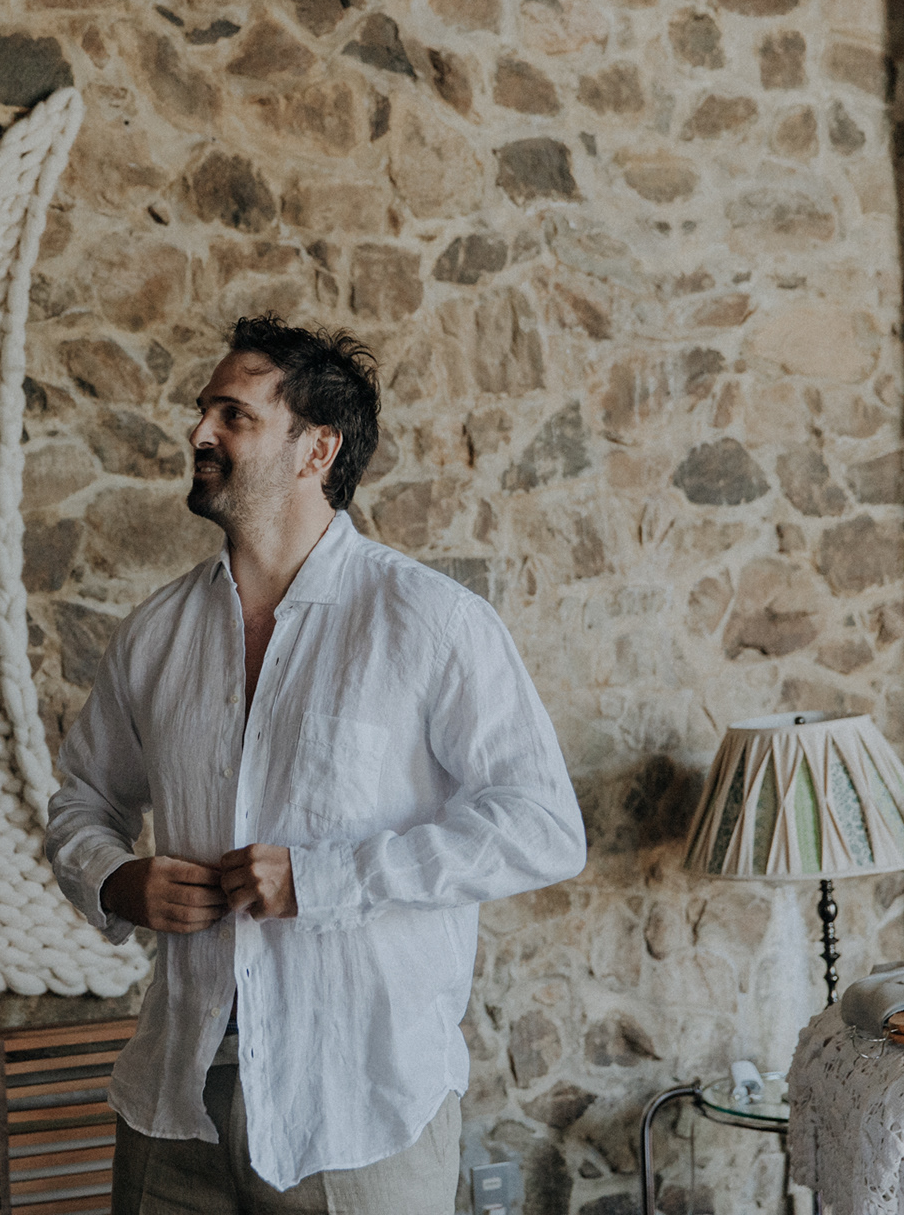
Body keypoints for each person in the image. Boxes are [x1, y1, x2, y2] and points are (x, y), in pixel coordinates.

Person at [44, 315, 587, 1213]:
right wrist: (116, 881)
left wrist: (326, 880)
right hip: (177, 1105)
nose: (199, 432)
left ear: (317, 448)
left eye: (234, 414)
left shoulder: (432, 623)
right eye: (204, 411)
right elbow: (83, 802)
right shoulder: (154, 635)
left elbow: (541, 826)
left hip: (359, 1109)